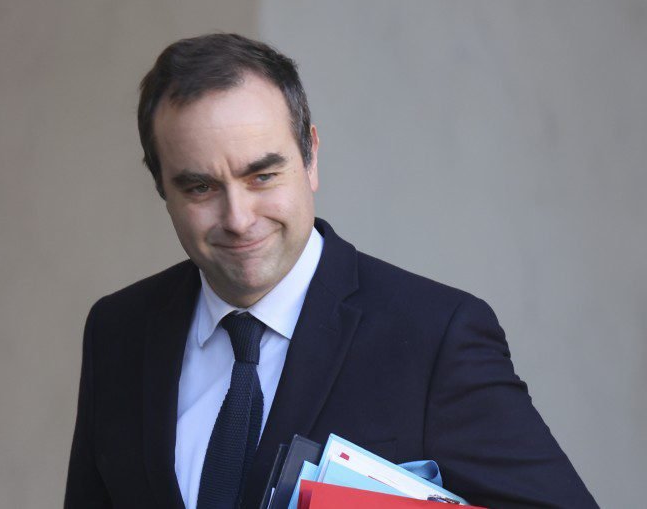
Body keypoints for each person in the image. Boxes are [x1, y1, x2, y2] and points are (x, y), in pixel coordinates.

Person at [64, 33, 597, 508]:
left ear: (311, 157)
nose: (238, 219)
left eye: (262, 176)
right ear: (161, 187)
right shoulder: (117, 330)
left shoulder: (436, 335)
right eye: (200, 187)